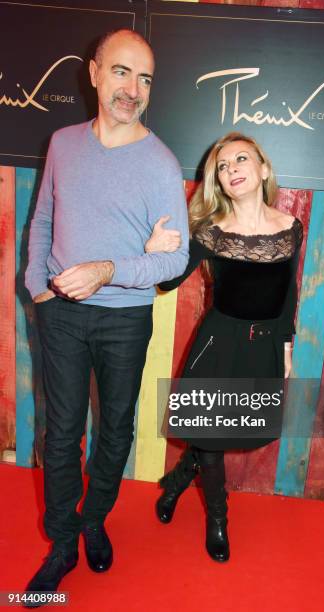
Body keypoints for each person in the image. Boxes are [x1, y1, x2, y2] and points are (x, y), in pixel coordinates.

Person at [24, 29, 188, 597]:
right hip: (62, 314)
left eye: (145, 78)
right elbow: (43, 218)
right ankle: (64, 539)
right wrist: (35, 284)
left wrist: (108, 270)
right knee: (63, 431)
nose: (133, 89)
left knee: (115, 430)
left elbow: (178, 260)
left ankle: (95, 519)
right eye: (121, 72)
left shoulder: (161, 164)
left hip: (124, 318)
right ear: (93, 73)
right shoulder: (63, 142)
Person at [152, 132, 303, 563]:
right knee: (210, 436)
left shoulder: (290, 227)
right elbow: (167, 281)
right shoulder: (211, 231)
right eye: (223, 165)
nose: (232, 168)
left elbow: (288, 292)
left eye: (241, 159)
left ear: (263, 169)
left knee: (239, 428)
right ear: (217, 181)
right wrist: (160, 248)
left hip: (265, 344)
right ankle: (218, 520)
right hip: (218, 342)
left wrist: (287, 346)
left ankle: (180, 478)